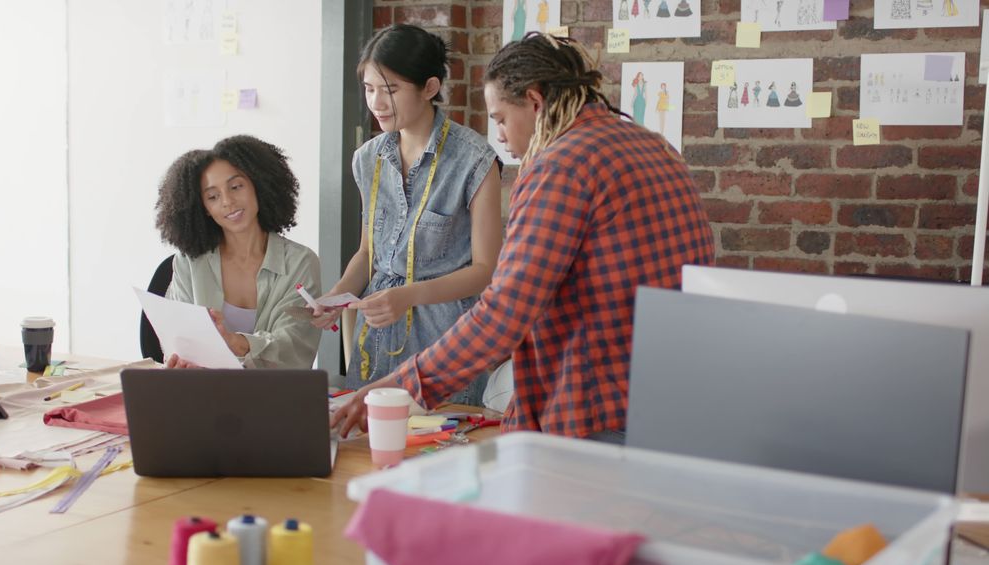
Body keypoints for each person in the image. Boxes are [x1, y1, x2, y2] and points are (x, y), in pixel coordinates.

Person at [331, 32, 715, 441]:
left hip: (596, 411)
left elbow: (503, 312)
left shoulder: (560, 165)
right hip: (673, 403)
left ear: (534, 102)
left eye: (499, 118)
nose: (499, 136)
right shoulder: (656, 148)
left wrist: (399, 387)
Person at [312, 24, 502, 405]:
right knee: (367, 452)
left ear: (429, 88)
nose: (377, 103)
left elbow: (486, 271)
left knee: (442, 453)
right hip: (378, 334)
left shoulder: (474, 160)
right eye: (369, 89)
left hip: (447, 341)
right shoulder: (368, 159)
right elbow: (368, 254)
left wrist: (408, 296)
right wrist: (336, 296)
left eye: (391, 90)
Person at [154, 135, 322, 369]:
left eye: (236, 187)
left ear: (258, 186)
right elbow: (176, 340)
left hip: (272, 397)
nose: (228, 202)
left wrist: (236, 343)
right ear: (204, 209)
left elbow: (293, 350)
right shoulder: (189, 262)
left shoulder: (300, 263)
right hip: (202, 395)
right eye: (213, 196)